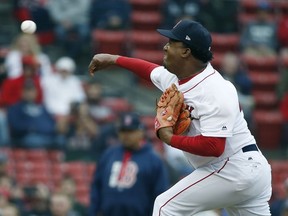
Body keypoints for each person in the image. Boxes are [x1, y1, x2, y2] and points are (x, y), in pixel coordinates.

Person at [88, 19, 272, 215]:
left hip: (233, 166)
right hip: (247, 170)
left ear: (186, 51)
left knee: (165, 206)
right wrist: (113, 58)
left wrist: (169, 139)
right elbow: (149, 70)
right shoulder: (176, 78)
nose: (165, 47)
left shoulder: (216, 90)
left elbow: (214, 146)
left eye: (172, 43)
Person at [89, 112, 169, 216]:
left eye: (130, 131)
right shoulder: (109, 154)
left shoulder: (153, 160)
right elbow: (97, 186)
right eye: (123, 131)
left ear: (141, 132)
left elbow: (159, 193)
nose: (126, 135)